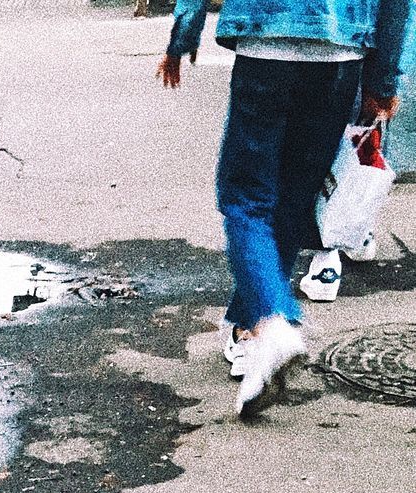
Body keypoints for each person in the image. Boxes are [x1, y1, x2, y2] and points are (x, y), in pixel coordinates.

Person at [157, 0, 412, 416]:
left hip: (267, 41)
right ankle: (250, 333)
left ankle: (271, 323)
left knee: (245, 201)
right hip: (340, 52)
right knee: (294, 199)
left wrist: (181, 38)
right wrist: (383, 80)